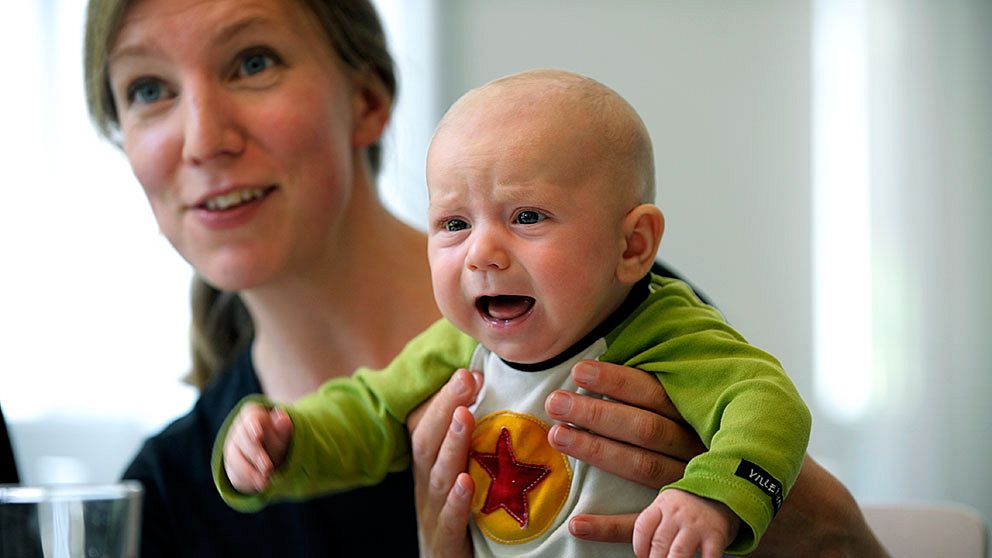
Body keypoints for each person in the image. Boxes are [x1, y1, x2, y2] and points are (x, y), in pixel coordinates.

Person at [81, 0, 889, 556]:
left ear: (367, 99)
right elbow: (361, 419)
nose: (202, 139)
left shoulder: (626, 314)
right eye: (147, 89)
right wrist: (277, 446)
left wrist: (776, 513)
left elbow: (776, 446)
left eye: (252, 61)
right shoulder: (164, 497)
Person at [216, 69, 811, 557]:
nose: (481, 253)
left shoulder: (665, 331)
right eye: (454, 223)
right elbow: (366, 413)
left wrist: (716, 498)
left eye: (526, 217)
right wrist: (282, 442)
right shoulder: (456, 350)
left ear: (632, 246)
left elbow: (767, 403)